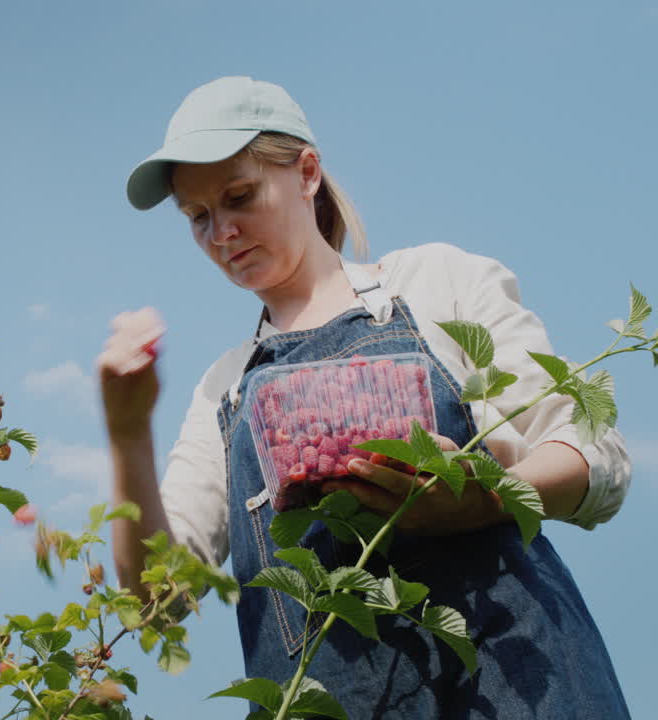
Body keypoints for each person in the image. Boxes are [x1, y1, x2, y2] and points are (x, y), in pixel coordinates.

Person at [100, 76, 632, 718]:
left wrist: (483, 500)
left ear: (307, 173)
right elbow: (159, 601)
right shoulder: (226, 385)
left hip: (522, 682)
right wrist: (128, 434)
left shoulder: (439, 284)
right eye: (197, 216)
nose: (222, 232)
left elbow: (589, 454)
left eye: (239, 196)